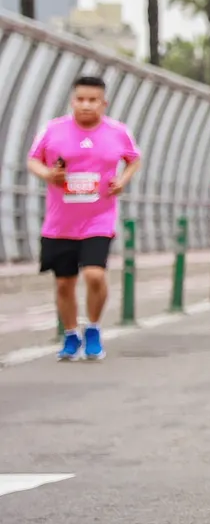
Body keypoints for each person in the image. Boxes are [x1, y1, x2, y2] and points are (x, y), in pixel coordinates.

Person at [27, 76, 142, 363]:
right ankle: (70, 335)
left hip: (98, 218)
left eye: (93, 100)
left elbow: (134, 159)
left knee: (94, 274)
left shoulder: (118, 132)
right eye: (81, 99)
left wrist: (123, 180)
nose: (86, 105)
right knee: (64, 283)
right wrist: (48, 175)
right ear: (72, 101)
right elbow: (33, 159)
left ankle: (92, 328)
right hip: (59, 222)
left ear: (104, 103)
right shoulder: (54, 129)